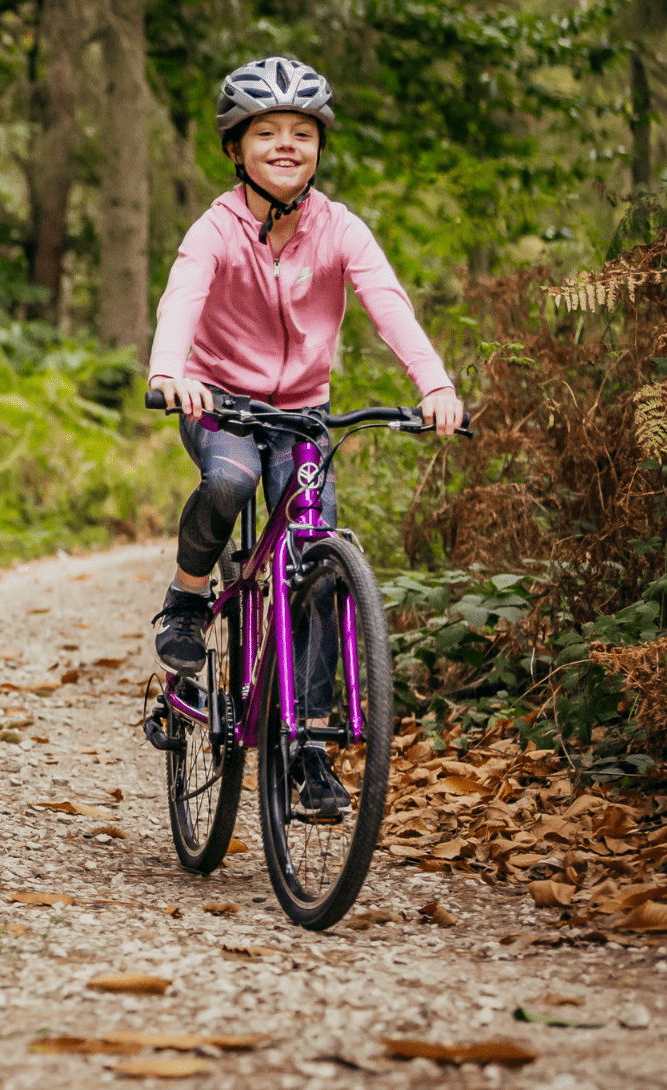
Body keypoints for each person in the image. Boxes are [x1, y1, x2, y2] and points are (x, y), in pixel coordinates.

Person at [147, 57, 464, 810]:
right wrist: (169, 371)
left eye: (301, 132)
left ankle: (309, 748)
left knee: (318, 567)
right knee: (229, 480)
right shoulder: (216, 229)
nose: (286, 145)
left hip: (304, 412)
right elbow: (181, 300)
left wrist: (435, 382)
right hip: (218, 399)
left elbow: (388, 304)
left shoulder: (339, 227)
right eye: (267, 132)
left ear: (319, 144)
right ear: (236, 148)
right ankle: (189, 597)